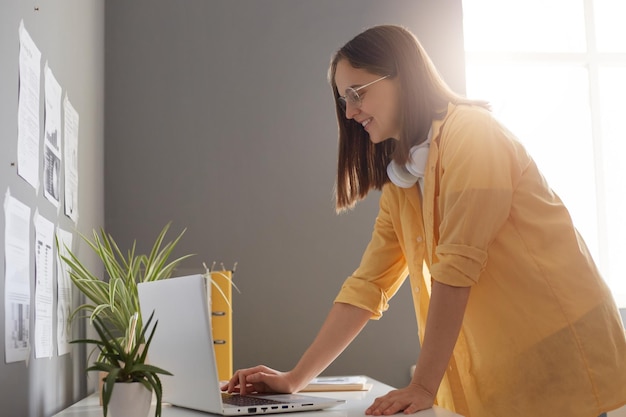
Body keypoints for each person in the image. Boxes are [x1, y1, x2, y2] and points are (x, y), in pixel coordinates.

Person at [224, 25, 626, 417]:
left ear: (403, 76)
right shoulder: (404, 178)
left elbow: (456, 266)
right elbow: (369, 284)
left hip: (555, 345)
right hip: (501, 362)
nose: (349, 112)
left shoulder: (473, 135)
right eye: (343, 100)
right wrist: (295, 379)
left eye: (356, 93)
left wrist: (423, 385)